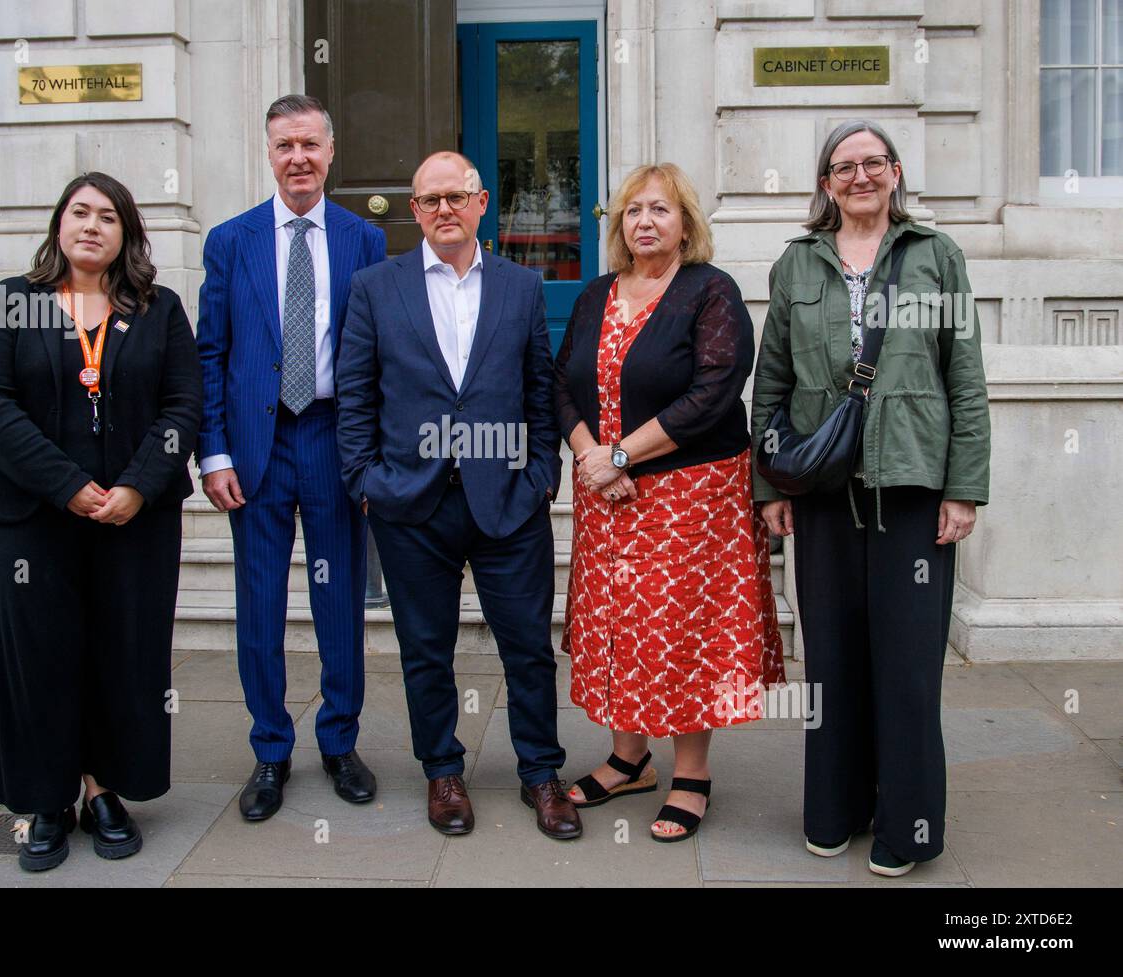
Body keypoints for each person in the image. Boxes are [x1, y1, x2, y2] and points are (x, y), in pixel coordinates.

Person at [751, 120, 990, 877]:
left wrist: (964, 487)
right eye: (843, 166)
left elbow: (966, 379)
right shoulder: (797, 265)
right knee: (832, 661)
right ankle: (835, 809)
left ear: (894, 173)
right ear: (825, 183)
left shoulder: (934, 257)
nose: (859, 176)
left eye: (873, 163)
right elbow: (772, 383)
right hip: (823, 492)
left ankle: (908, 826)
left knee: (910, 667)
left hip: (913, 488)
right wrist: (769, 485)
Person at [0, 171, 202, 871]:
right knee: (37, 656)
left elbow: (183, 407)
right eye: (80, 212)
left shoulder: (158, 309)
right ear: (58, 224)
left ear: (127, 232)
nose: (92, 225)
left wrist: (136, 485)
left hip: (133, 517)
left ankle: (103, 789)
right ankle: (46, 798)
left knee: (122, 652)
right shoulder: (14, 302)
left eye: (108, 216)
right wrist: (68, 485)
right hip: (26, 517)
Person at [336, 151, 579, 840]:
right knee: (424, 648)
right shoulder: (375, 288)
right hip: (411, 506)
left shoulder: (521, 286)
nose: (445, 208)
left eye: (457, 195)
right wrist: (366, 481)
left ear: (482, 204)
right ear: (413, 211)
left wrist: (540, 478)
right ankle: (443, 769)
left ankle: (541, 772)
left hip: (507, 502)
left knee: (529, 648)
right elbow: (356, 395)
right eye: (431, 198)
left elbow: (539, 390)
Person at [556, 162, 786, 842]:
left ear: (686, 223)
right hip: (608, 497)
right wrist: (591, 455)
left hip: (692, 496)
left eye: (660, 209)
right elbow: (557, 382)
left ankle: (692, 772)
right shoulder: (597, 294)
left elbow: (716, 387)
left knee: (686, 630)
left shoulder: (709, 292)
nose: (645, 221)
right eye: (632, 211)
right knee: (621, 625)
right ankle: (629, 759)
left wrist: (622, 453)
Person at [195, 94, 387, 822]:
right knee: (260, 605)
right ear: (268, 154)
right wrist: (212, 453)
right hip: (258, 448)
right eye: (285, 146)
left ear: (331, 152)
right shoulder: (230, 240)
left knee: (340, 601)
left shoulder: (363, 239)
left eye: (310, 144)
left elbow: (377, 354)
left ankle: (339, 741)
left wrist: (373, 458)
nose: (298, 158)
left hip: (335, 442)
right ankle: (270, 748)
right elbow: (210, 352)